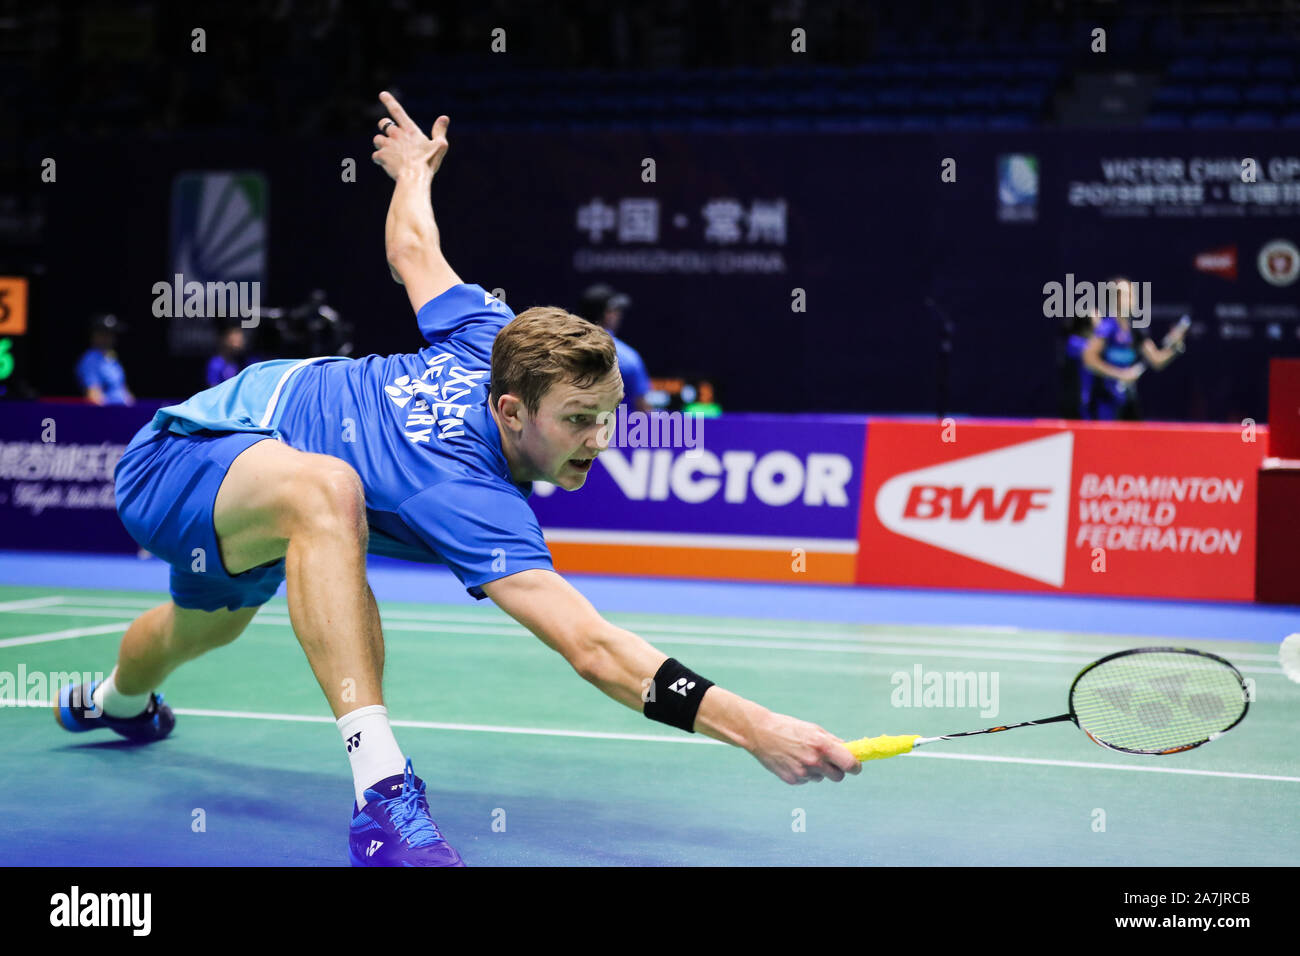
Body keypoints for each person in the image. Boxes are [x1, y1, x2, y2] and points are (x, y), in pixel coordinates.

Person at [54, 92, 860, 867]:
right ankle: (383, 796)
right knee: (329, 490)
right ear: (512, 409)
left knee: (201, 627)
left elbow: (413, 250)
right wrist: (755, 727)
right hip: (184, 454)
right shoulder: (468, 491)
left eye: (609, 414)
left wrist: (412, 170)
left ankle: (115, 703)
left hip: (257, 502)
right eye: (579, 419)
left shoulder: (488, 332)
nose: (602, 439)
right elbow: (593, 649)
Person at [1079, 278, 1187, 420]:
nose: (1132, 299)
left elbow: (1157, 360)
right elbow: (1089, 359)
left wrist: (1176, 348)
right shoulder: (1107, 327)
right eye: (1127, 295)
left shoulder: (1136, 330)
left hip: (1128, 402)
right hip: (1105, 402)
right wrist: (1120, 374)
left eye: (1132, 294)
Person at [577, 282, 652, 412]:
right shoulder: (627, 358)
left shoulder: (564, 349)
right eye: (616, 310)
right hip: (618, 431)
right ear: (608, 314)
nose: (619, 315)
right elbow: (643, 408)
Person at [76, 313, 134, 406]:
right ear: (94, 335)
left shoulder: (112, 358)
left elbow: (123, 391)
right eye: (103, 333)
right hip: (107, 415)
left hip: (123, 412)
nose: (109, 338)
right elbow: (93, 396)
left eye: (111, 334)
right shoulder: (90, 360)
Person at [206, 321, 247, 387]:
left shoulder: (243, 362)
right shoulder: (216, 364)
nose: (241, 339)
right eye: (235, 334)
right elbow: (214, 390)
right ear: (225, 338)